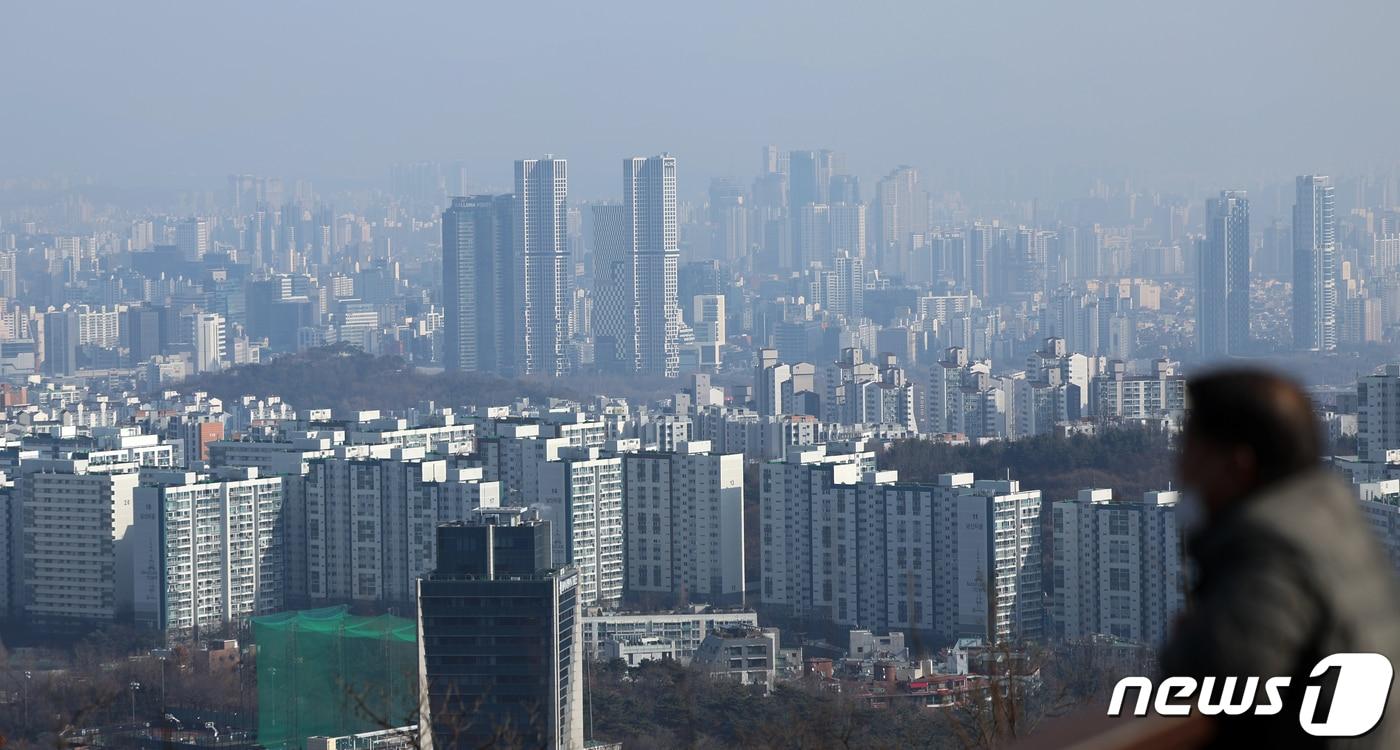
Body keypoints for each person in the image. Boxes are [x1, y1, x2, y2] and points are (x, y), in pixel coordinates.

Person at [1161, 369, 1400, 747]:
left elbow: (1217, 681)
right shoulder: (1330, 517)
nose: (1181, 469)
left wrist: (1188, 638)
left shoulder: (1269, 548)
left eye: (1190, 450)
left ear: (1238, 465)